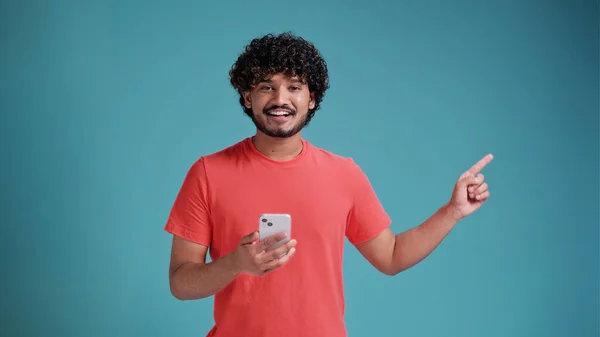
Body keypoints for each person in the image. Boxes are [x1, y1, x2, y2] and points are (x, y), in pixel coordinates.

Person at [164, 32, 493, 337]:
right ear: (248, 96)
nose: (280, 98)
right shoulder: (208, 172)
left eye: (294, 87)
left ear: (312, 99)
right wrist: (237, 263)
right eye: (266, 86)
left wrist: (452, 212)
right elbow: (180, 282)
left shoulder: (343, 174)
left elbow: (391, 257)